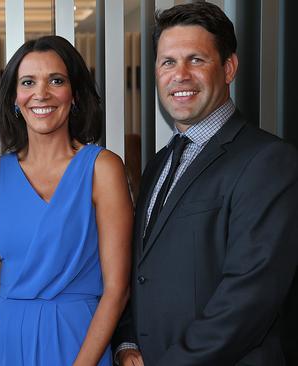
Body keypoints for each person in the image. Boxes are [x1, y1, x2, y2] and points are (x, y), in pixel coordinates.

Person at [113, 3, 298, 365]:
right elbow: (143, 272)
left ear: (229, 68)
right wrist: (127, 341)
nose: (179, 75)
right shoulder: (158, 165)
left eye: (196, 59)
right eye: (168, 62)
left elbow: (249, 299)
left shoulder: (268, 161)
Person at [0, 35, 133, 365]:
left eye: (56, 80)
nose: (41, 93)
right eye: (28, 82)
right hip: (4, 341)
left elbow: (117, 288)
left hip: (77, 340)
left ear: (74, 94)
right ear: (14, 98)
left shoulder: (102, 168)